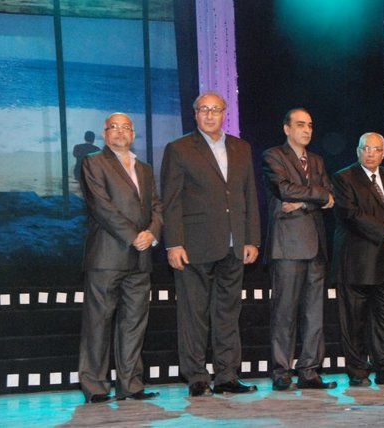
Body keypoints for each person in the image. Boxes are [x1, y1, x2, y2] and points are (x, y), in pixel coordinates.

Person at [161, 92, 261, 397]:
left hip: (234, 243)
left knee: (228, 313)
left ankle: (227, 376)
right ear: (195, 114)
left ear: (224, 113)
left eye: (215, 109)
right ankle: (196, 377)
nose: (209, 114)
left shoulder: (241, 147)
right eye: (203, 109)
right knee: (193, 314)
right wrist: (173, 243)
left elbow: (249, 195)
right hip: (194, 245)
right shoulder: (179, 148)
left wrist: (252, 238)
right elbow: (171, 201)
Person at [78, 113, 162, 403]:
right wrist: (134, 235)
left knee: (134, 324)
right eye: (113, 127)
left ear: (133, 134)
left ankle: (131, 384)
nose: (120, 132)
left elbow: (156, 206)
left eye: (126, 127)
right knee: (98, 323)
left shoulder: (145, 168)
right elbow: (101, 207)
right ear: (104, 134)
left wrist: (152, 233)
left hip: (141, 259)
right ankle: (95, 387)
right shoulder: (93, 162)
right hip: (107, 256)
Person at [331, 132, 384, 386]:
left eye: (376, 149)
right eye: (366, 148)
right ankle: (358, 372)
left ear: (383, 153)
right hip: (357, 263)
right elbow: (351, 215)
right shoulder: (344, 177)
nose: (371, 153)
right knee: (354, 321)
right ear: (358, 151)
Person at [262, 108, 336, 391]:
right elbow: (284, 189)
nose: (307, 130)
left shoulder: (316, 160)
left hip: (316, 246)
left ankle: (309, 370)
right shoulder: (273, 156)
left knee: (314, 314)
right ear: (287, 129)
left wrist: (304, 201)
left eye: (310, 125)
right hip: (288, 246)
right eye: (300, 125)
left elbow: (331, 196)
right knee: (285, 313)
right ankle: (281, 371)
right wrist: (317, 196)